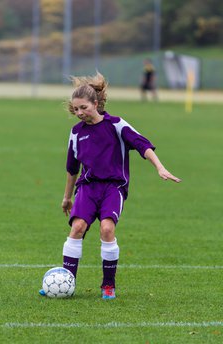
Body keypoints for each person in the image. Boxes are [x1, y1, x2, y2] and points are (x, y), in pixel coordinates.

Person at [54, 72, 181, 300]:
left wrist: (159, 167)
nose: (79, 113)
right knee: (77, 227)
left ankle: (108, 286)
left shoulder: (116, 125)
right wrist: (66, 197)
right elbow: (72, 169)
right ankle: (66, 282)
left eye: (83, 107)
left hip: (114, 187)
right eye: (75, 110)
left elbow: (143, 145)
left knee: (107, 229)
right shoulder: (76, 133)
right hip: (88, 187)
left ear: (96, 104)